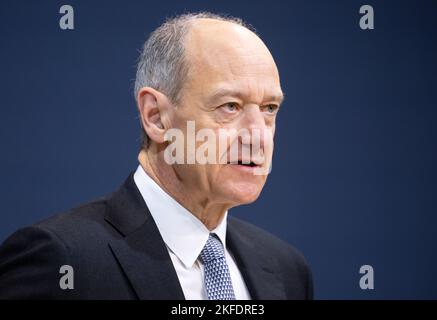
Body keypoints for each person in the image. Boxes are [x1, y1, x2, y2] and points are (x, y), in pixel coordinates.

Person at [0, 12, 313, 300]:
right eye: (230, 106)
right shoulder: (62, 261)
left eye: (269, 109)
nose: (258, 136)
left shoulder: (287, 270)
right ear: (156, 117)